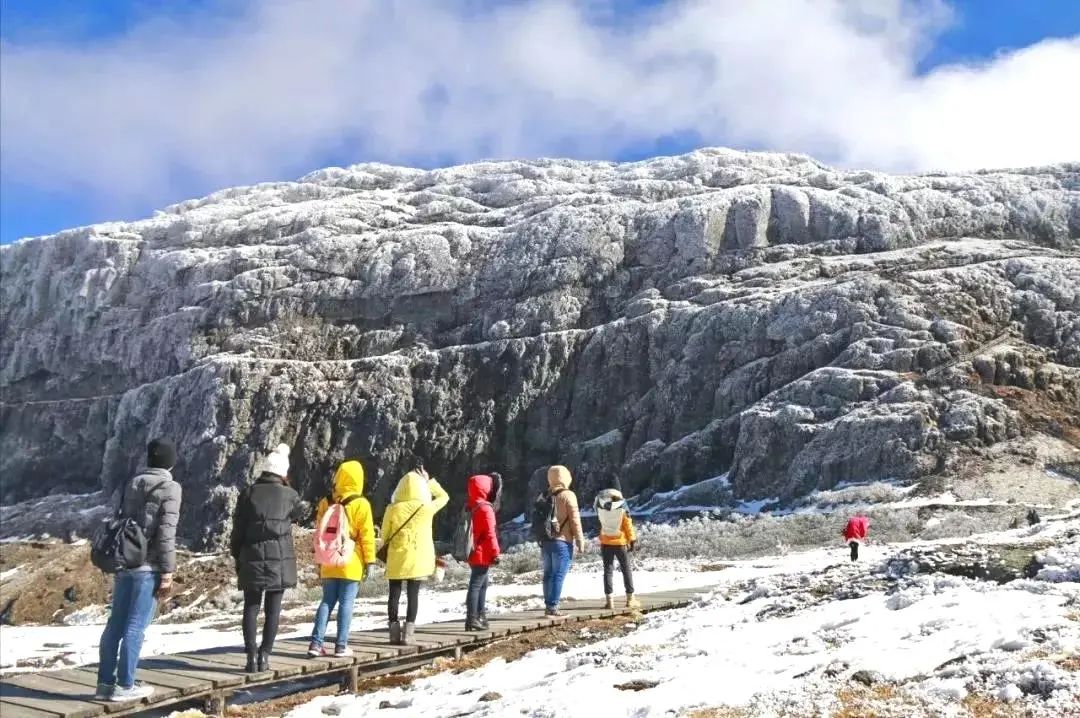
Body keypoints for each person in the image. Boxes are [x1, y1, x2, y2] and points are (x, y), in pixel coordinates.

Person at [96, 438, 182, 702]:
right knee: (136, 626)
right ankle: (125, 685)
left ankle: (104, 684)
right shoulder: (170, 487)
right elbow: (166, 534)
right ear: (170, 462)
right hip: (149, 566)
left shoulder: (131, 482)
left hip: (125, 561)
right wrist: (167, 572)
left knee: (115, 624)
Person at [230, 444, 307, 672]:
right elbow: (299, 513)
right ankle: (265, 656)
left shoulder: (248, 493)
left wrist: (238, 556)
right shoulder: (290, 495)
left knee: (251, 608)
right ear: (283, 471)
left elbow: (238, 531)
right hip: (279, 560)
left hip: (251, 557)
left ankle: (250, 657)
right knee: (273, 610)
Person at [307, 460, 376, 658]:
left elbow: (319, 532)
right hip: (350, 560)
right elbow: (367, 537)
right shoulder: (361, 504)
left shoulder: (326, 501)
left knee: (327, 601)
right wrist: (369, 561)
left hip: (329, 559)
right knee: (346, 603)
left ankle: (315, 643)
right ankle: (341, 646)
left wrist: (319, 558)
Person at [381, 467, 449, 645]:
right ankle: (408, 634)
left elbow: (384, 536)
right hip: (418, 559)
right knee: (413, 595)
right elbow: (444, 497)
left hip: (397, 558)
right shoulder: (426, 508)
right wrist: (429, 482)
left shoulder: (392, 509)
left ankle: (393, 634)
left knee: (393, 595)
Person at [540, 465, 584, 616]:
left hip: (545, 540)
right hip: (562, 541)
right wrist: (579, 539)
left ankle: (548, 605)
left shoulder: (544, 495)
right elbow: (575, 519)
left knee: (548, 574)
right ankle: (553, 607)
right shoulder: (568, 495)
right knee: (558, 574)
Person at [594, 476, 639, 610]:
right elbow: (627, 524)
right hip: (620, 542)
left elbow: (600, 521)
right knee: (626, 570)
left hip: (606, 542)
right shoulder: (622, 505)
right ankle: (630, 599)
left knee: (608, 571)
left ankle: (610, 601)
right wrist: (632, 540)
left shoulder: (599, 504)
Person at [465, 472, 502, 631]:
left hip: (472, 550)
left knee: (481, 584)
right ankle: (473, 618)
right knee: (476, 585)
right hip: (483, 552)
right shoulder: (486, 508)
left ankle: (479, 616)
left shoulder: (470, 505)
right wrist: (495, 552)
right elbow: (490, 533)